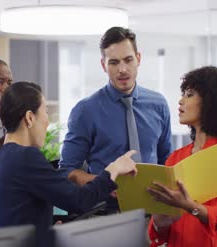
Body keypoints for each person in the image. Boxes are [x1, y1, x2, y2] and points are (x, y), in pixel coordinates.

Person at [0, 81, 137, 247]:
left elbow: (16, 213)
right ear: (30, 118)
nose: (47, 120)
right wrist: (113, 170)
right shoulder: (25, 157)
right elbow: (79, 200)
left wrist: (46, 226)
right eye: (45, 111)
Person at [59, 27, 172, 213]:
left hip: (154, 209)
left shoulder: (158, 104)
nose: (122, 69)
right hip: (106, 210)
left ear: (138, 58)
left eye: (128, 60)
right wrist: (105, 183)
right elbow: (67, 171)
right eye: (114, 62)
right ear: (104, 65)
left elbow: (166, 160)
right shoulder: (85, 111)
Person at [146, 66, 217, 247]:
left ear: (211, 102)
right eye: (183, 94)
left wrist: (188, 206)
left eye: (190, 94)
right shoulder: (175, 158)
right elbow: (161, 232)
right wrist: (160, 220)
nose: (181, 100)